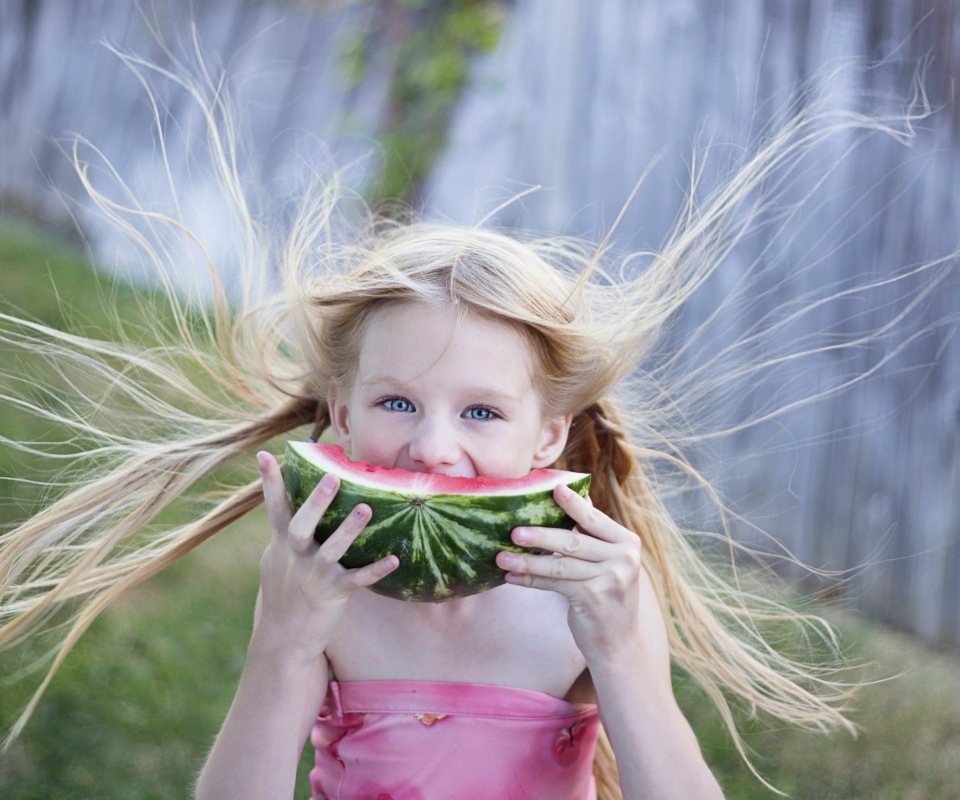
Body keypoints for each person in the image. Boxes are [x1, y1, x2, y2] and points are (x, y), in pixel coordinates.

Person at [1, 57, 918, 800]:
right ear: (341, 414)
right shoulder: (327, 597)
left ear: (548, 438)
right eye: (398, 402)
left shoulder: (578, 609)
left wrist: (626, 658)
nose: (435, 448)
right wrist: (283, 641)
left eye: (481, 412)